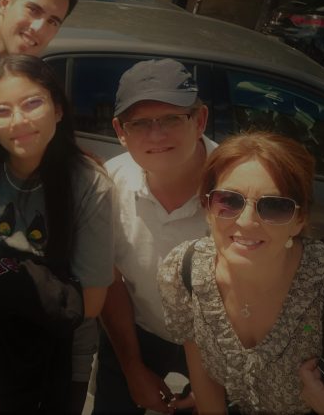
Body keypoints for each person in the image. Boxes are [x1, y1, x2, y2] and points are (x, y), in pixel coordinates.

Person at [157, 131, 324, 414]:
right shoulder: (186, 272)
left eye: (274, 206)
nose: (247, 222)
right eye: (229, 201)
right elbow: (202, 373)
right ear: (208, 207)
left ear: (299, 220)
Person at [0, 55, 116, 413]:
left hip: (57, 364)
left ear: (57, 109)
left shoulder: (88, 184)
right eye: (2, 110)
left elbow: (90, 302)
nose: (19, 121)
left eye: (32, 103)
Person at [93, 58, 217, 415]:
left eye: (172, 119)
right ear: (120, 130)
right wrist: (132, 368)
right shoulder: (110, 183)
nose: (157, 135)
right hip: (138, 330)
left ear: (200, 121)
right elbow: (110, 279)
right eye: (141, 123)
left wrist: (213, 386)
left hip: (220, 344)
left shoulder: (238, 186)